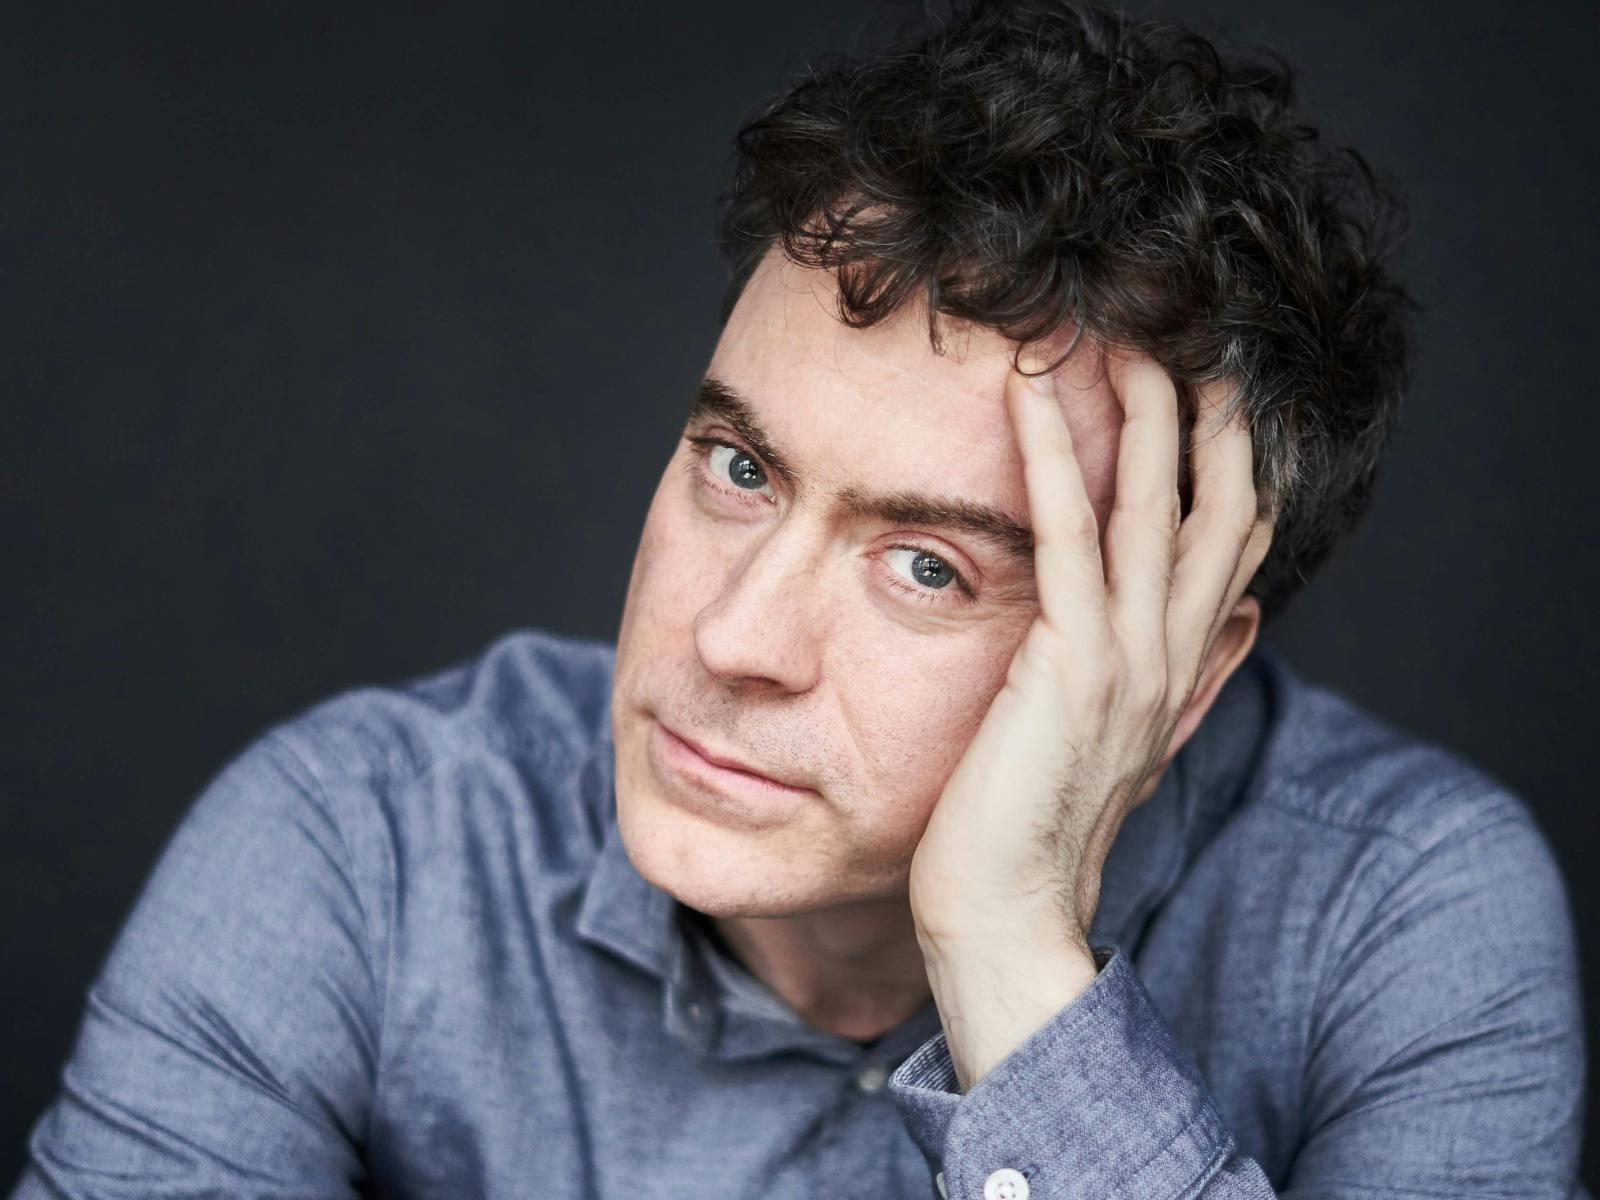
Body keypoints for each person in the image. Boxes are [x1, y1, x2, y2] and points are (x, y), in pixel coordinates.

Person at [10, 1, 1587, 1197]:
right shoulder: (356, 846)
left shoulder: (1402, 916)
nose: (729, 640)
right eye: (740, 468)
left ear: (1179, 671)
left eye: (929, 565)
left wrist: (1013, 956)